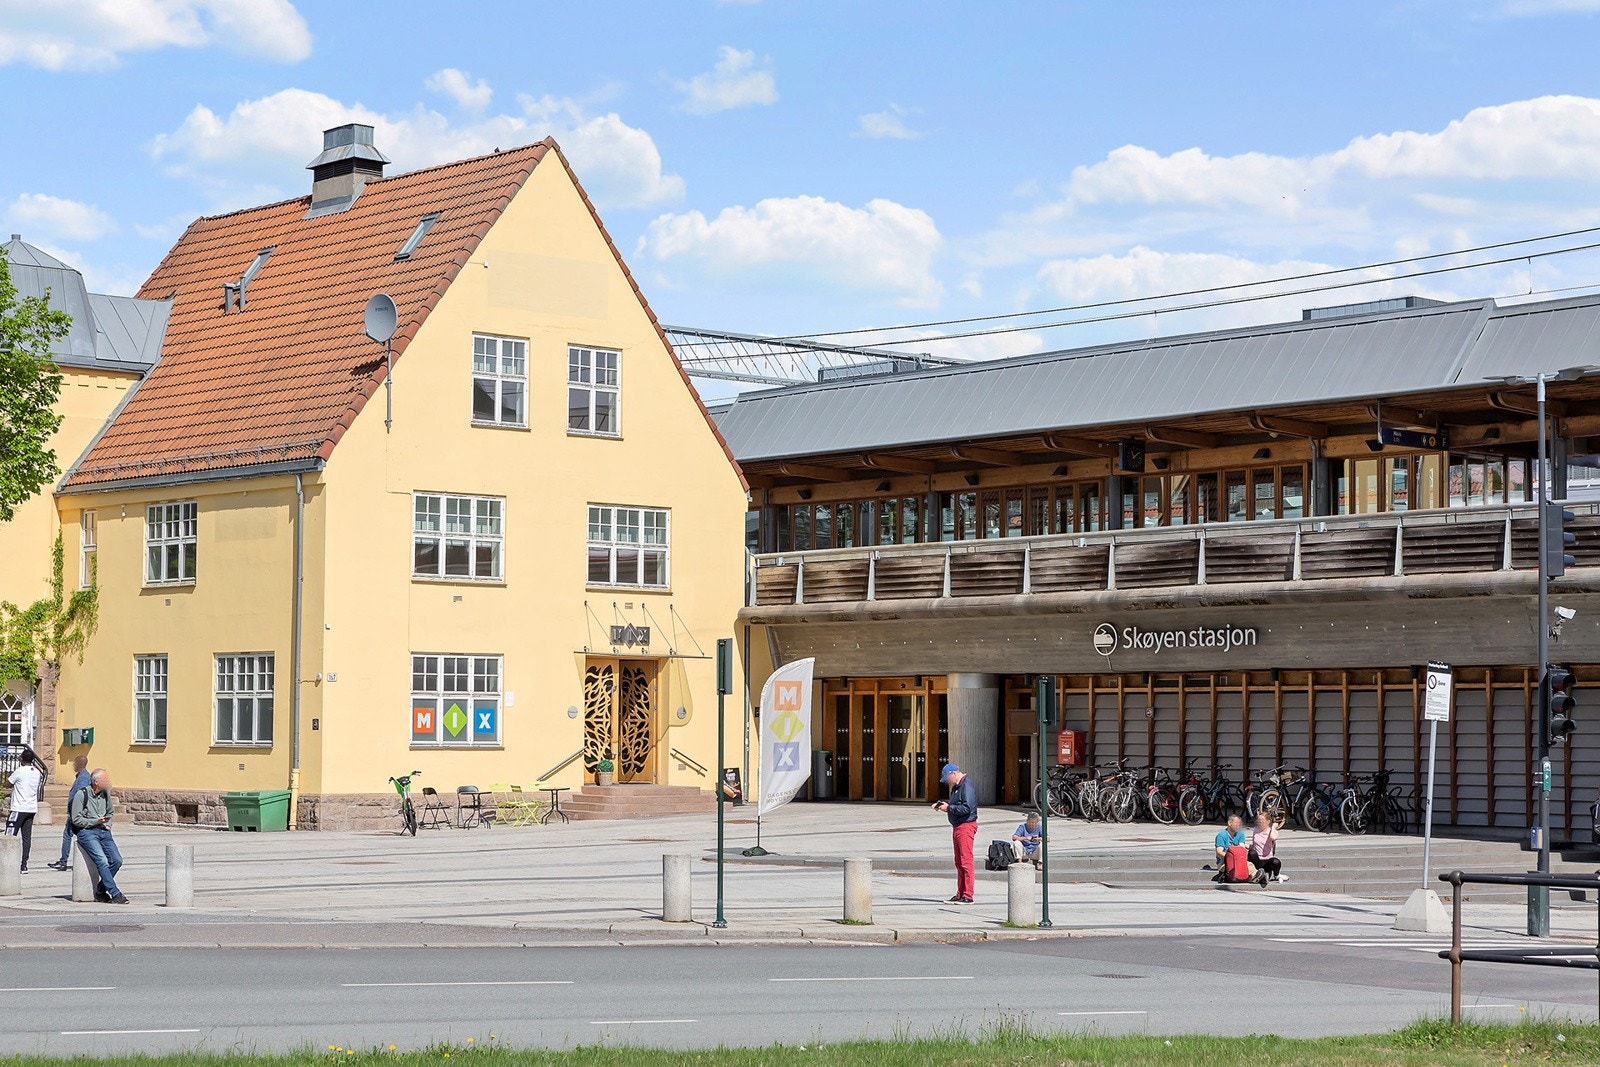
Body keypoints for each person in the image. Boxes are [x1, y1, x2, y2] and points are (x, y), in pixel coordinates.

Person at [69, 768, 127, 904]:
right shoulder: (81, 794)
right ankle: (115, 893)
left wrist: (108, 823)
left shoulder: (105, 794)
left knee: (117, 860)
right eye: (105, 780)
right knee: (102, 861)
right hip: (87, 832)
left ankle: (101, 890)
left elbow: (110, 812)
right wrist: (95, 821)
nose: (108, 782)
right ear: (96, 782)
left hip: (103, 830)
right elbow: (76, 819)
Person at [933, 762, 978, 903]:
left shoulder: (966, 786)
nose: (947, 782)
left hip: (965, 826)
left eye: (947, 778)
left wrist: (949, 808)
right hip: (958, 826)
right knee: (959, 861)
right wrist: (943, 805)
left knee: (966, 861)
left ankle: (968, 895)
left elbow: (967, 808)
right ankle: (960, 893)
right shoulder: (957, 787)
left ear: (953, 773)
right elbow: (957, 805)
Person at [48, 754, 91, 872]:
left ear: (78, 764)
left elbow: (80, 796)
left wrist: (74, 812)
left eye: (74, 763)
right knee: (76, 836)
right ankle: (64, 861)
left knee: (69, 836)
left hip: (76, 813)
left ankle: (63, 862)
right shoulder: (82, 776)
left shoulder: (83, 778)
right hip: (76, 812)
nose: (73, 765)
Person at [5, 746, 45, 873]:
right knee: (26, 837)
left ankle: (8, 862)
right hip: (31, 808)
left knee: (10, 835)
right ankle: (24, 864)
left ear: (22, 759)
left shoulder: (20, 771)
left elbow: (8, 783)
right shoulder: (37, 772)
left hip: (18, 807)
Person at [1250, 812, 1286, 883]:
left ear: (1268, 821)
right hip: (1257, 860)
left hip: (1267, 860)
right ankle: (1258, 874)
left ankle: (1275, 875)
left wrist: (1273, 827)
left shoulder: (1272, 831)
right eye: (1258, 821)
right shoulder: (1256, 830)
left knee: (1276, 862)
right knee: (1251, 853)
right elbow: (1254, 845)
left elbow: (1273, 837)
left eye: (1262, 821)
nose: (1260, 823)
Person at [1212, 813, 1248, 882]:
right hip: (1224, 861)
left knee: (1249, 865)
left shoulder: (1240, 834)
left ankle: (1258, 876)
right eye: (1236, 824)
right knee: (1231, 868)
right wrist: (1230, 857)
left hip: (1238, 860)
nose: (1238, 826)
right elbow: (1219, 851)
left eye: (1239, 824)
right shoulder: (1221, 835)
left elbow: (1242, 847)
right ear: (1229, 823)